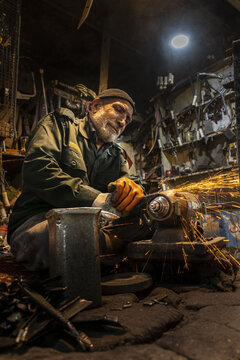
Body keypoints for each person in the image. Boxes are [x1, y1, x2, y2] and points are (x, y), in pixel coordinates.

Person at [7, 88, 144, 270]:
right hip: (38, 221)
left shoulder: (117, 155)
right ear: (95, 106)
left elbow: (129, 185)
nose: (122, 122)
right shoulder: (59, 126)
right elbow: (38, 169)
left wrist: (134, 191)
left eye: (127, 119)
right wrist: (95, 199)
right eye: (119, 110)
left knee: (146, 232)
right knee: (67, 240)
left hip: (92, 226)